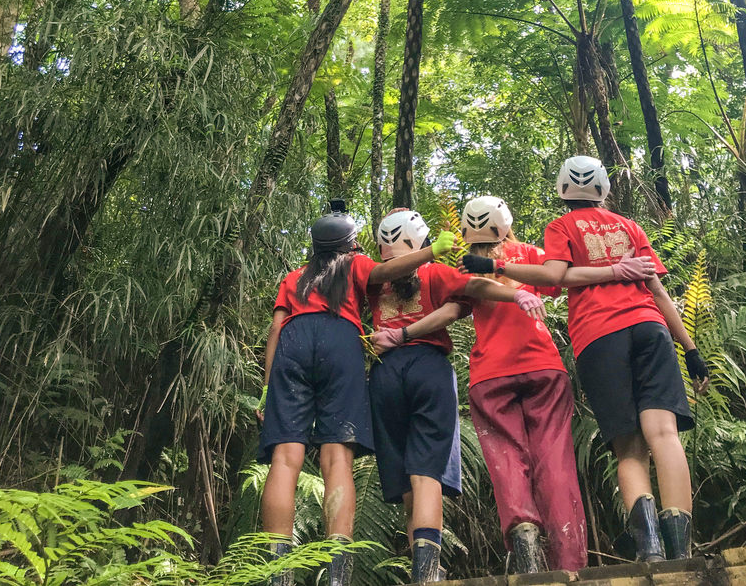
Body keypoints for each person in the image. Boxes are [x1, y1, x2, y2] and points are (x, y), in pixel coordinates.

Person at [462, 158, 710, 563]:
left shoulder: (561, 228)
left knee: (629, 446)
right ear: (605, 188)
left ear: (562, 190)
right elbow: (659, 291)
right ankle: (680, 550)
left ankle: (650, 550)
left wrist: (496, 265)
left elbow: (556, 276)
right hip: (650, 327)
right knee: (663, 434)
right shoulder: (631, 227)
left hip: (598, 337)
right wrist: (691, 349)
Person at [256, 201, 457, 586]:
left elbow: (275, 330)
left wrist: (267, 390)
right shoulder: (355, 264)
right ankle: (337, 574)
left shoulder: (294, 277)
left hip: (293, 343)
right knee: (337, 459)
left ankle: (277, 575)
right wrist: (430, 251)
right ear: (350, 245)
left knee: (284, 458)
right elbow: (385, 271)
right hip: (340, 339)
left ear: (314, 246)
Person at [368, 206, 547, 583]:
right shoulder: (433, 270)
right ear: (420, 241)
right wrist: (515, 296)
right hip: (427, 365)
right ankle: (426, 571)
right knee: (426, 471)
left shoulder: (373, 279)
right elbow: (472, 287)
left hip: (383, 375)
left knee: (404, 475)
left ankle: (422, 563)